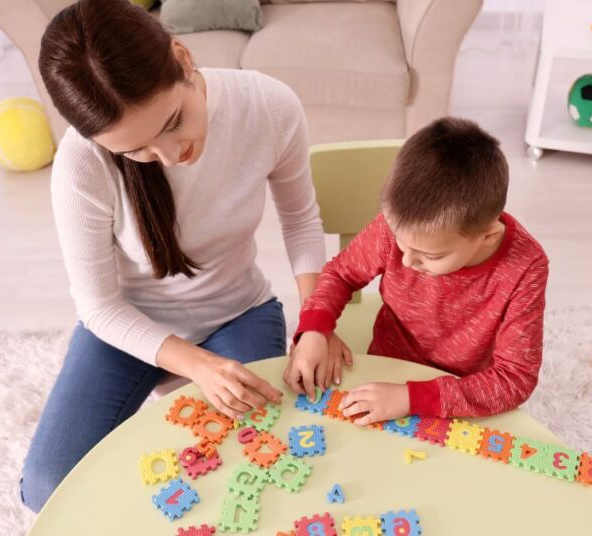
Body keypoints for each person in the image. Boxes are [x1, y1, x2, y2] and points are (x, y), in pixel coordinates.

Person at [19, 0, 348, 512]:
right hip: (129, 329)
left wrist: (315, 322)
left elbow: (301, 222)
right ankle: (167, 386)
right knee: (48, 487)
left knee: (260, 464)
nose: (171, 155)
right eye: (137, 151)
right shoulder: (81, 163)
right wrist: (199, 366)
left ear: (183, 57)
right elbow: (100, 308)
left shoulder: (268, 106)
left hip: (238, 311)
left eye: (173, 121)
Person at [284, 117, 549, 424]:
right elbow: (341, 274)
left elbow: (514, 378)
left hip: (461, 392)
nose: (406, 261)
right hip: (387, 363)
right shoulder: (398, 227)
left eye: (429, 256)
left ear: (487, 235)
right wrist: (315, 329)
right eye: (400, 243)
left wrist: (411, 398)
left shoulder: (526, 268)